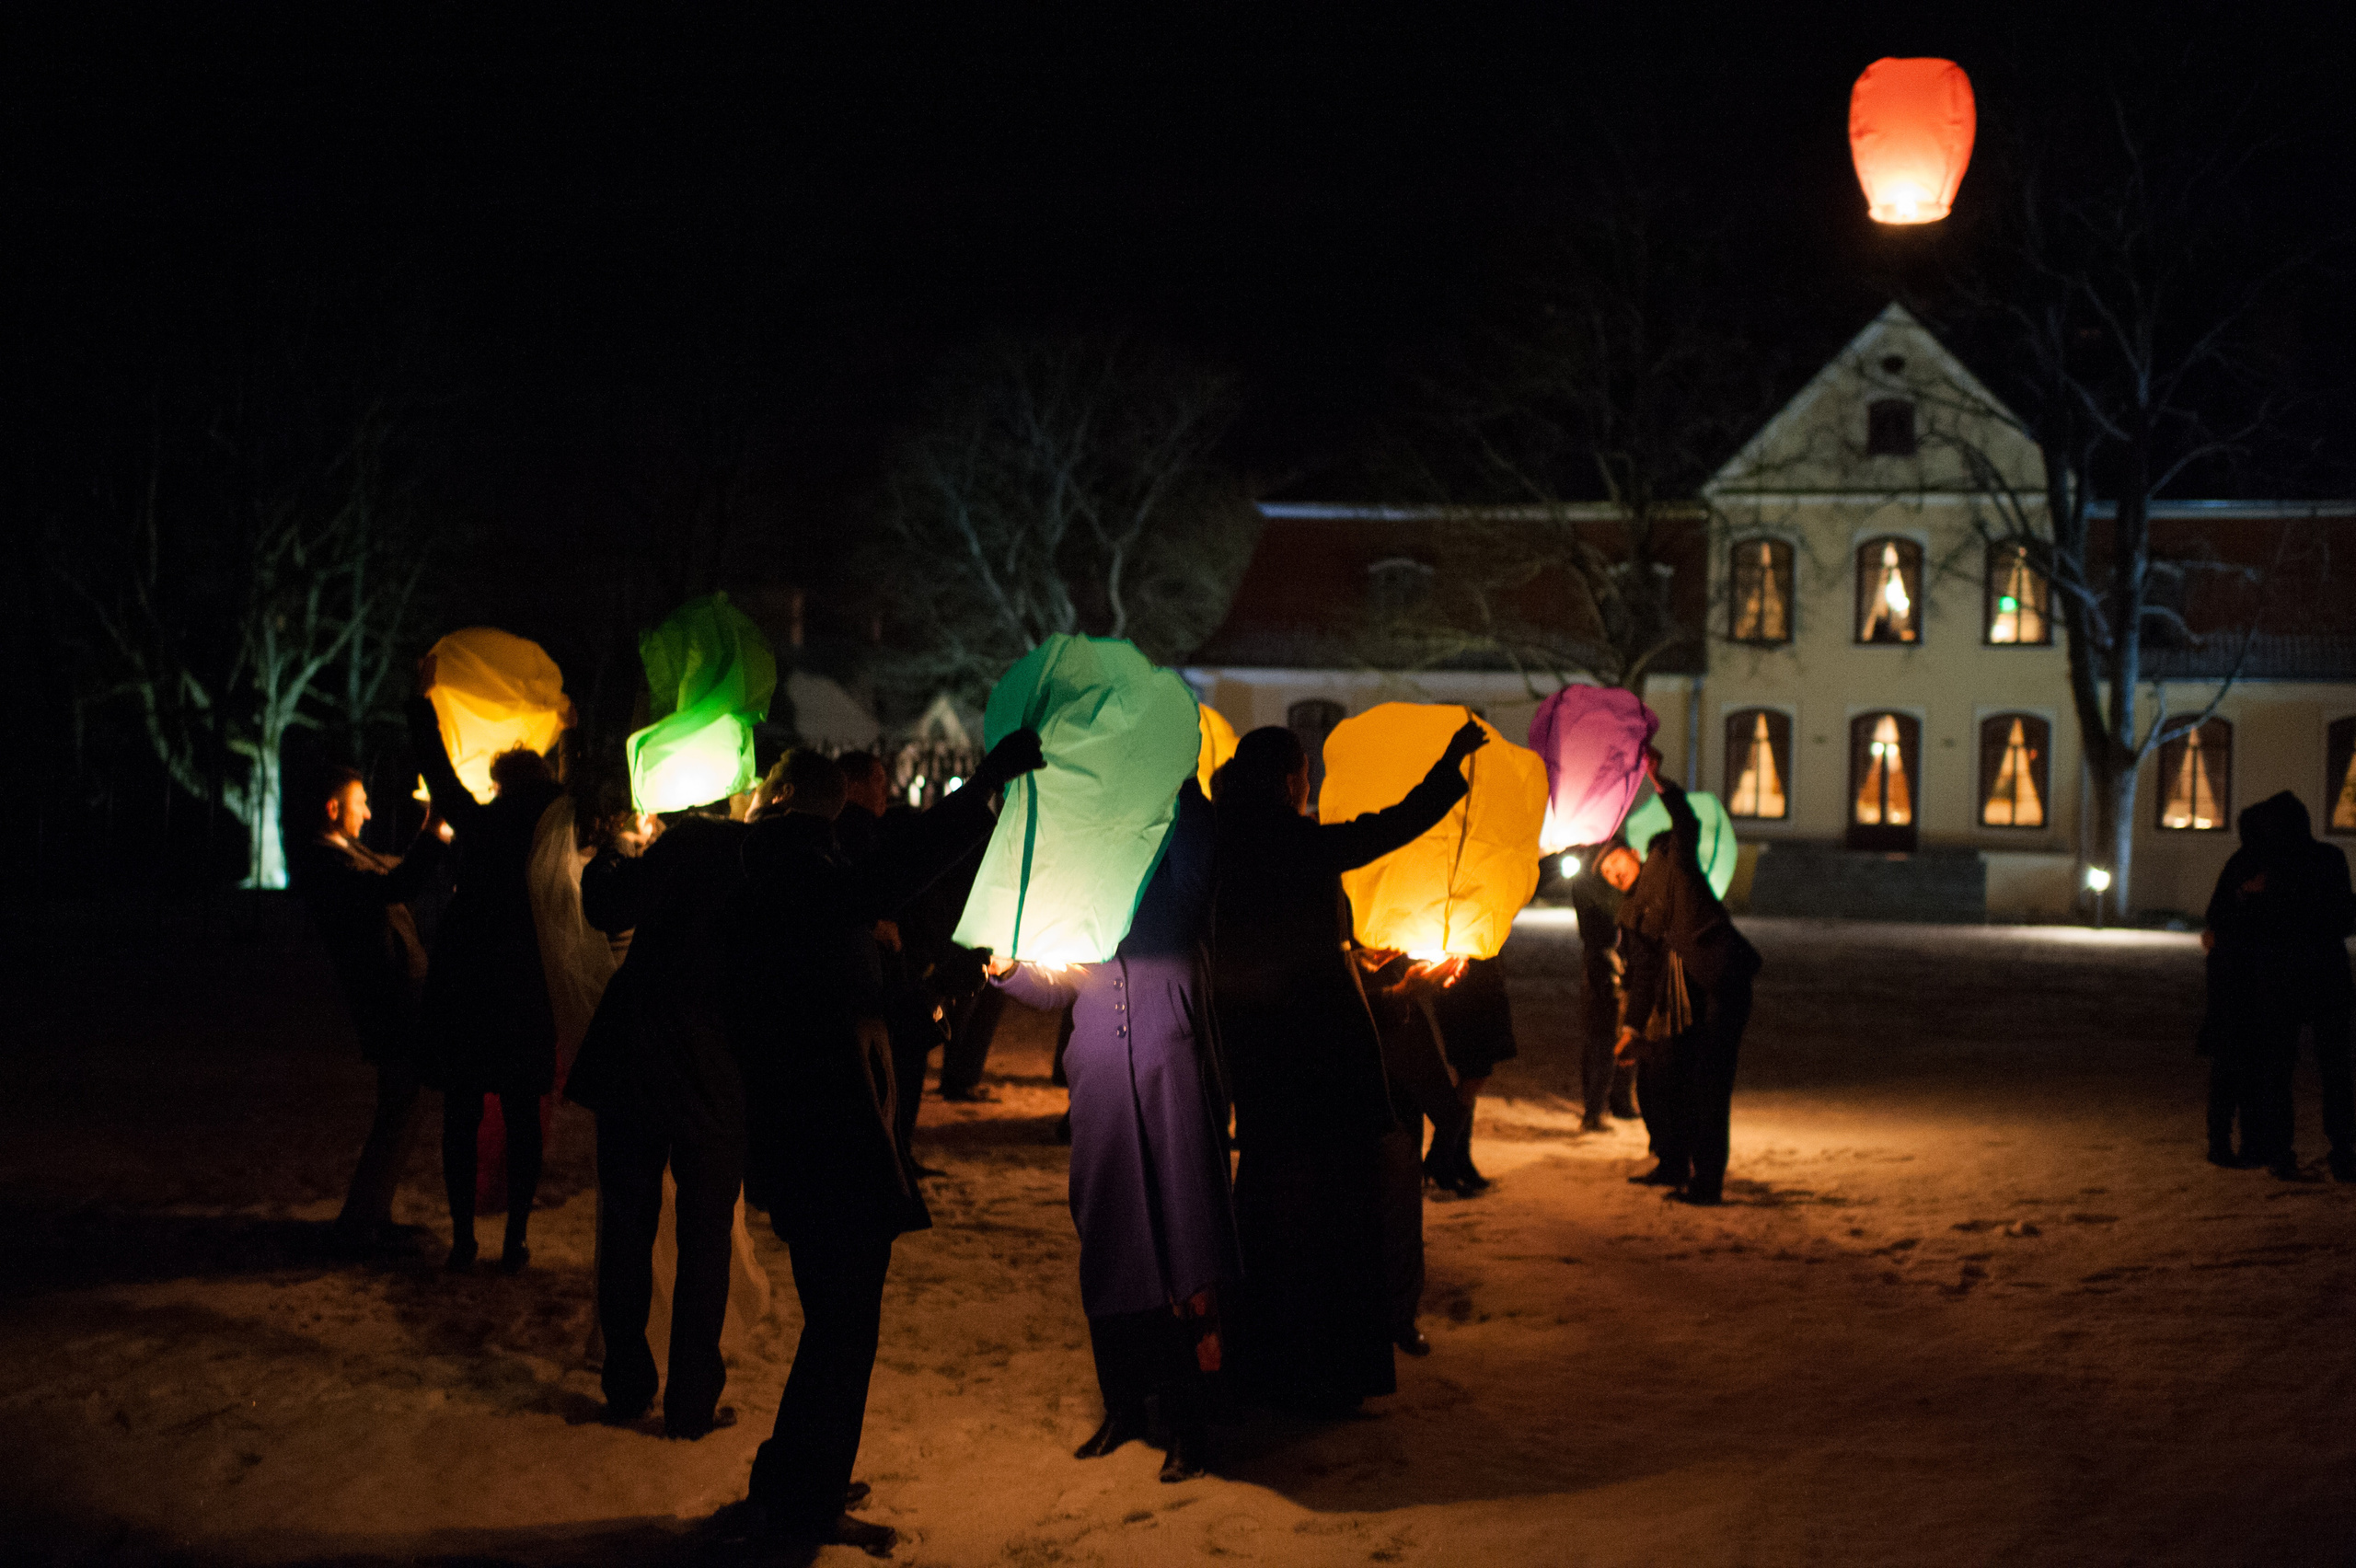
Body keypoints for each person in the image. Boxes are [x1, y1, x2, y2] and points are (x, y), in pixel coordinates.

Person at [729, 732, 1045, 1560]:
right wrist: (984, 785)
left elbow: (863, 999)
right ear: (822, 814)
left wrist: (952, 983)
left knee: (838, 1326)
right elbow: (884, 883)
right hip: (825, 1142)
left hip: (818, 1138)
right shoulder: (796, 871)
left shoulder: (778, 871)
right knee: (842, 1329)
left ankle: (801, 1478)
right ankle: (801, 1502)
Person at [1211, 719, 1487, 1414]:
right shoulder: (1296, 841)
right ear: (1289, 779)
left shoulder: (1224, 843)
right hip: (1321, 1064)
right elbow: (1389, 828)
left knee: (1272, 1211)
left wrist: (1351, 956)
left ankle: (1261, 1363)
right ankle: (1325, 1375)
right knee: (1333, 1221)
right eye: (1306, 773)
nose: (1311, 785)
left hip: (1259, 1058)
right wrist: (1450, 764)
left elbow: (1275, 940)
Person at [988, 781, 1237, 1482]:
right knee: (1112, 1239)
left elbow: (1195, 825)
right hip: (1100, 1079)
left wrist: (1160, 761)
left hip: (1171, 1078)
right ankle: (1124, 1405)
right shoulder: (1076, 882)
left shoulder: (1178, 873)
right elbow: (1058, 985)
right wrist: (1009, 971)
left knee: (1185, 1243)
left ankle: (1193, 1419)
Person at [571, 792, 756, 1439]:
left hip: (636, 1055)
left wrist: (611, 855)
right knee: (704, 1237)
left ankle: (626, 1386)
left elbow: (609, 908)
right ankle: (691, 1403)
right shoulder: (747, 851)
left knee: (627, 1226)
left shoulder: (686, 843)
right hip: (715, 1067)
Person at [409, 663, 569, 1273]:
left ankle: (462, 1237)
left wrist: (420, 702)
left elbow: (437, 768)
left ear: (500, 783)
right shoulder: (556, 829)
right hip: (528, 986)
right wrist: (569, 730)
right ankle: (516, 1238)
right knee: (525, 1112)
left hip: (467, 982)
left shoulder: (479, 823)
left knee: (462, 1111)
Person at [288, 767, 447, 1255]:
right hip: (387, 999)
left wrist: (434, 831)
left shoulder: (346, 852)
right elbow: (399, 882)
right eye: (361, 802)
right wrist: (436, 825)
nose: (370, 812)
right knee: (400, 1107)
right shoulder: (325, 862)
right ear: (333, 809)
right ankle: (360, 1226)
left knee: (404, 1107)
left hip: (398, 994)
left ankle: (370, 1217)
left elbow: (401, 870)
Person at [1609, 749, 1761, 1206]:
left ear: (1632, 854)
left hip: (1722, 977)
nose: (1616, 876)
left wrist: (1659, 779)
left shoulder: (1670, 856)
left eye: (1617, 865)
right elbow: (1646, 969)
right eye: (1609, 877)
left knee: (1711, 1083)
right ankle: (1675, 1163)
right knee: (1671, 1080)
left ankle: (1707, 1181)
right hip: (1686, 997)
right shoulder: (1633, 911)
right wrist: (1634, 1028)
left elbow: (1686, 822)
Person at [2200, 790, 2356, 1181]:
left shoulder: (2262, 864)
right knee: (2333, 1070)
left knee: (2277, 1070)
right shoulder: (2328, 860)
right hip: (2325, 977)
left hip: (2279, 980)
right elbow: (2343, 918)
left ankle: (2279, 1151)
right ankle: (2341, 1151)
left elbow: (2226, 922)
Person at [1355, 947, 1464, 1356]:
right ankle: (1370, 1316)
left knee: (1401, 1204)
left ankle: (1400, 1315)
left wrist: (1426, 972)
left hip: (1400, 1084)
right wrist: (1401, 990)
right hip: (1347, 1081)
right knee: (1361, 1208)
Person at [1422, 955, 1518, 1193]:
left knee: (1472, 1075)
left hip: (1480, 987)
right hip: (1463, 990)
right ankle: (1442, 1158)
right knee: (1472, 1075)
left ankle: (1454, 1159)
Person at [1568, 847, 1639, 1132]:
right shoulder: (1588, 884)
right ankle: (1594, 1109)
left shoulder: (1637, 886)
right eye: (1607, 870)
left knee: (1627, 1033)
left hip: (1626, 970)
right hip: (1603, 973)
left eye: (1615, 863)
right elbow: (1597, 933)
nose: (1614, 872)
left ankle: (1620, 1101)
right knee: (1601, 1040)